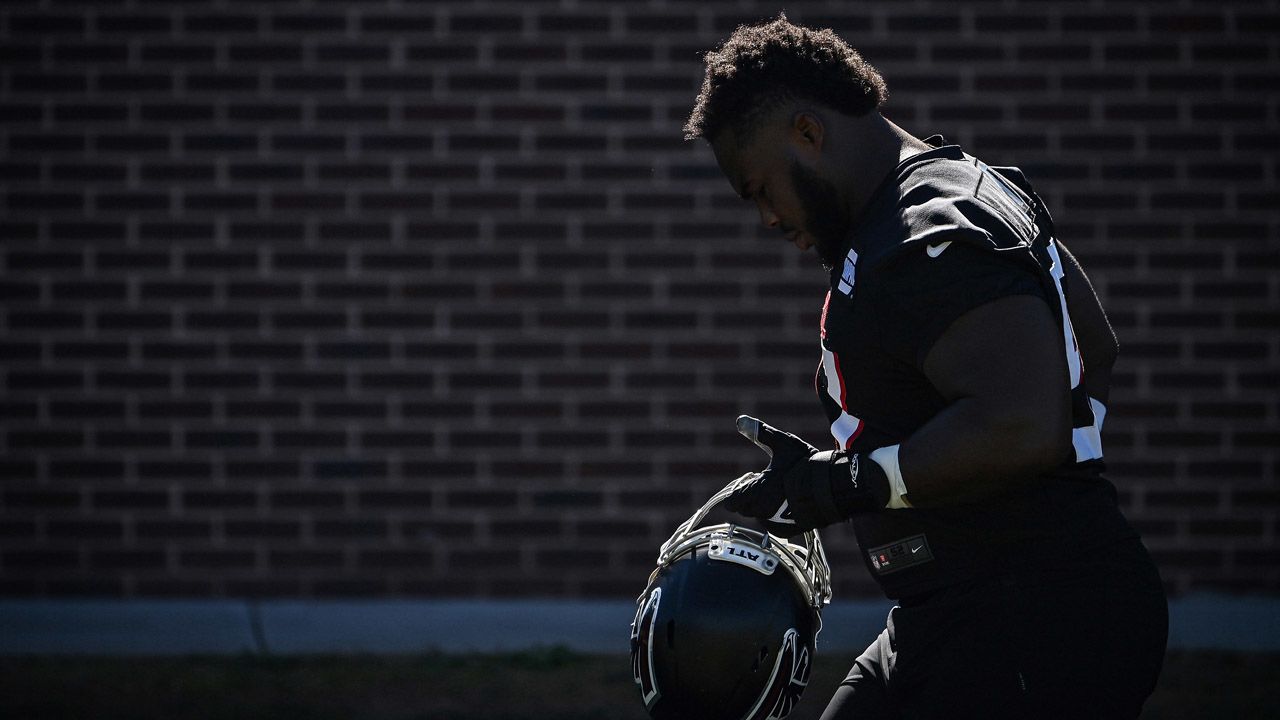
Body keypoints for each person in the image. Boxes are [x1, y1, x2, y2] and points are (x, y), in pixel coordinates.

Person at [682, 15, 1168, 720]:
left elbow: (1019, 424)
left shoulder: (925, 228)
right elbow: (1091, 348)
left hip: (1028, 614)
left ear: (809, 134)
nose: (766, 217)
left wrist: (855, 481)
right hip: (957, 610)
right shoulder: (955, 188)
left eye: (759, 189)